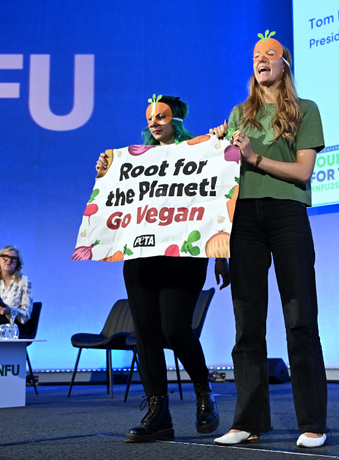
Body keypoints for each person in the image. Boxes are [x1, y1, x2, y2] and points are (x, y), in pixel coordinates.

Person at [211, 31, 329, 449]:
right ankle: (248, 421)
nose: (262, 60)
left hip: (286, 215)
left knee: (299, 317)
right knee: (247, 323)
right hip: (243, 220)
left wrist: (254, 158)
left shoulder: (305, 110)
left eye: (270, 55)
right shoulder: (238, 113)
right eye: (256, 55)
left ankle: (313, 423)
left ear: (285, 65)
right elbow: (223, 180)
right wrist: (215, 147)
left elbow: (302, 173)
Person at [95, 95, 230, 444]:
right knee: (146, 334)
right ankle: (159, 414)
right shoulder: (135, 160)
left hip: (183, 258)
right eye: (151, 118)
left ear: (175, 120)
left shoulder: (200, 153)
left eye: (162, 117)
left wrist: (221, 254)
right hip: (140, 258)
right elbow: (117, 202)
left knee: (176, 329)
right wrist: (106, 175)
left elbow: (214, 203)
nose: (155, 123)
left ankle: (204, 392)